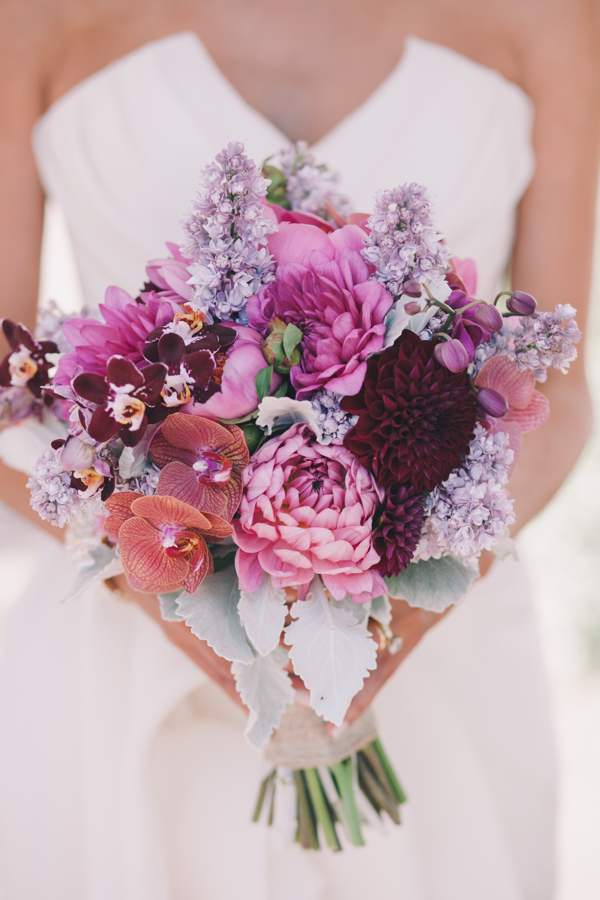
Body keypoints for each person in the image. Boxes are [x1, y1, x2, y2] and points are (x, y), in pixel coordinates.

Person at [0, 0, 598, 897]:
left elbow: (557, 385)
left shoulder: (555, 20)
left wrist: (405, 617)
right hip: (126, 645)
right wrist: (167, 589)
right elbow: (7, 384)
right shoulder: (30, 20)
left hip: (437, 650)